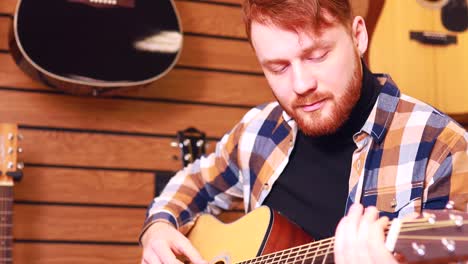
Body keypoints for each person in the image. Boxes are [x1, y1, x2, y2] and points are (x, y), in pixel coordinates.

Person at [140, 0, 468, 263]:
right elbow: (194, 183)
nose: (301, 85)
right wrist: (158, 227)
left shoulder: (441, 146)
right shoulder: (258, 130)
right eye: (278, 67)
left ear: (358, 37)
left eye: (317, 55)